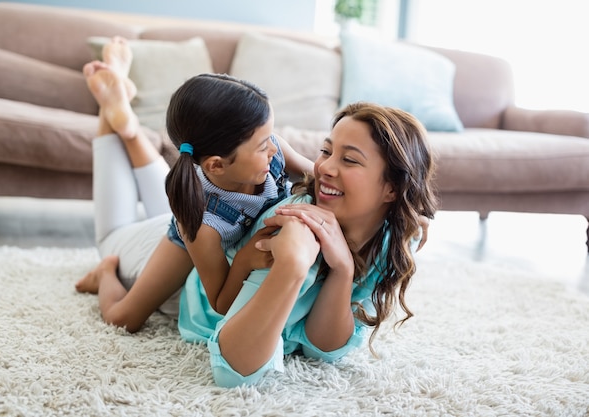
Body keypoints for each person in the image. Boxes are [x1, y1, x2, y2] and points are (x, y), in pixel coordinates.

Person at [177, 101, 438, 387]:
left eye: (349, 160)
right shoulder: (293, 226)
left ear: (393, 188)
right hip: (190, 285)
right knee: (127, 287)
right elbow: (232, 372)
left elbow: (322, 348)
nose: (325, 167)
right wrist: (291, 266)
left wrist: (343, 269)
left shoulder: (394, 238)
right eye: (326, 151)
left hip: (218, 235)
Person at [75, 37, 313, 332]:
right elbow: (221, 302)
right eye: (263, 145)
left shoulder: (263, 153)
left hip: (185, 207)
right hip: (158, 244)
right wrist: (244, 260)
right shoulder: (201, 225)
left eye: (270, 137)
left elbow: (318, 177)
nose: (275, 150)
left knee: (181, 203)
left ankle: (127, 123)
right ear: (215, 164)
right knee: (124, 318)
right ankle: (104, 273)